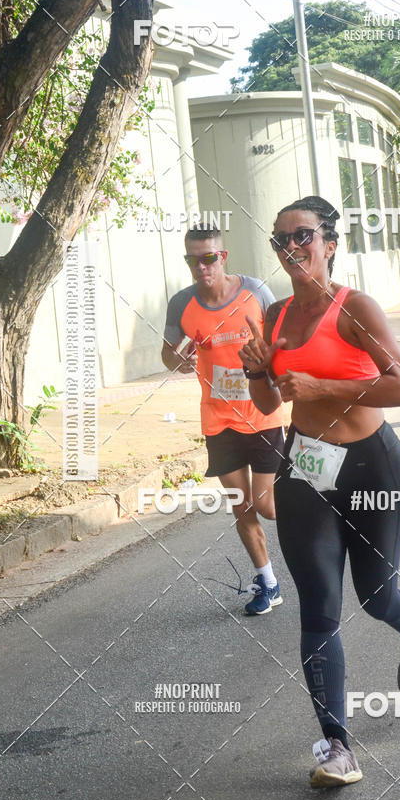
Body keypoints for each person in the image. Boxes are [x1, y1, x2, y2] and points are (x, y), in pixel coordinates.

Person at [239, 196, 400, 789]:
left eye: (302, 236)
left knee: (376, 598)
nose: (290, 249)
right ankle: (337, 748)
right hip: (308, 470)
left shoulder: (355, 309)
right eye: (279, 240)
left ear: (329, 242)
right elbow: (271, 405)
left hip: (375, 469)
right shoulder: (272, 318)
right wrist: (256, 371)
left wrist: (321, 382)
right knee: (319, 605)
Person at [162, 226, 285, 616]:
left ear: (223, 256)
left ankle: (319, 518)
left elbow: (282, 340)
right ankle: (268, 582)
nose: (202, 267)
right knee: (242, 506)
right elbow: (167, 353)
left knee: (268, 506)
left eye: (209, 258)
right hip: (219, 420)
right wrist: (177, 361)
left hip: (263, 414)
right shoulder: (182, 304)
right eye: (193, 260)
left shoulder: (255, 292)